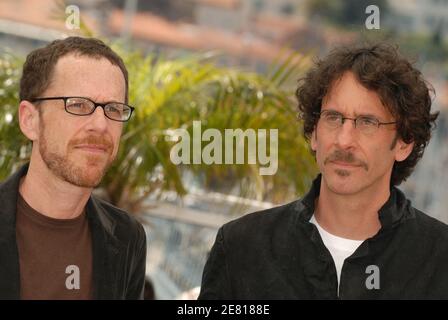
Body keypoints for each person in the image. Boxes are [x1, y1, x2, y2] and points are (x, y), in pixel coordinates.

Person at [198, 43, 448, 299]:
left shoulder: (439, 262)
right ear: (314, 134)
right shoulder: (241, 246)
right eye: (333, 117)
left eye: (367, 122)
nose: (343, 140)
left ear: (404, 143)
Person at [0, 37, 146, 299]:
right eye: (78, 105)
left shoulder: (127, 237)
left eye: (113, 108)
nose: (100, 125)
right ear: (30, 120)